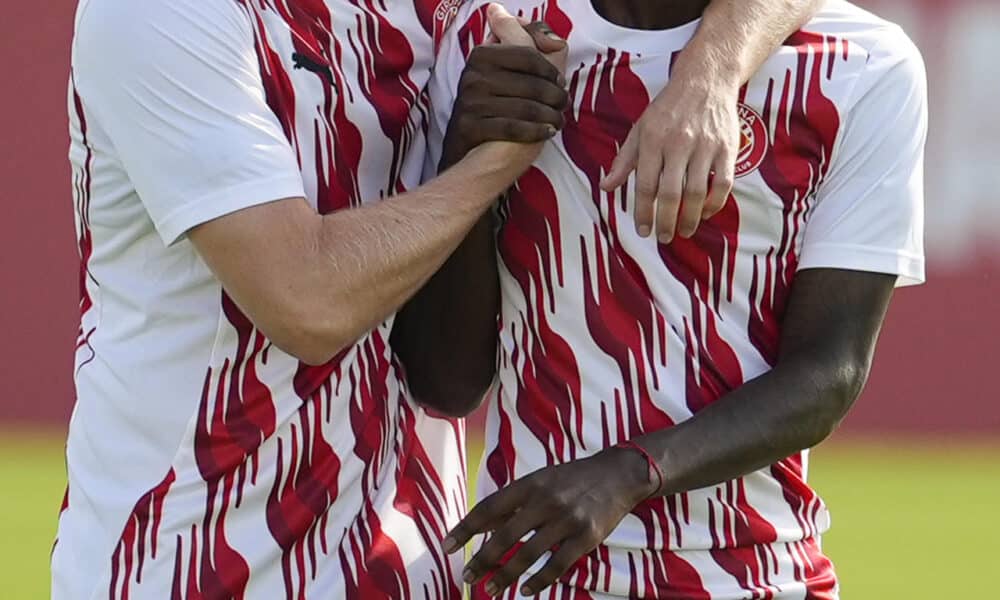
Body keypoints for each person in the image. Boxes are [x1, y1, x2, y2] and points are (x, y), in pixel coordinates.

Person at [56, 1, 820, 599]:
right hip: (189, 566)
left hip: (410, 567)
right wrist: (488, 163)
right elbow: (305, 303)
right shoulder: (157, 13)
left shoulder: (440, 9)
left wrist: (711, 73)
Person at [429, 1, 927, 598]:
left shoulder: (863, 64)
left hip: (756, 576)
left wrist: (628, 473)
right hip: (536, 576)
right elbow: (447, 383)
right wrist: (467, 153)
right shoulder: (494, 43)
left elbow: (829, 373)